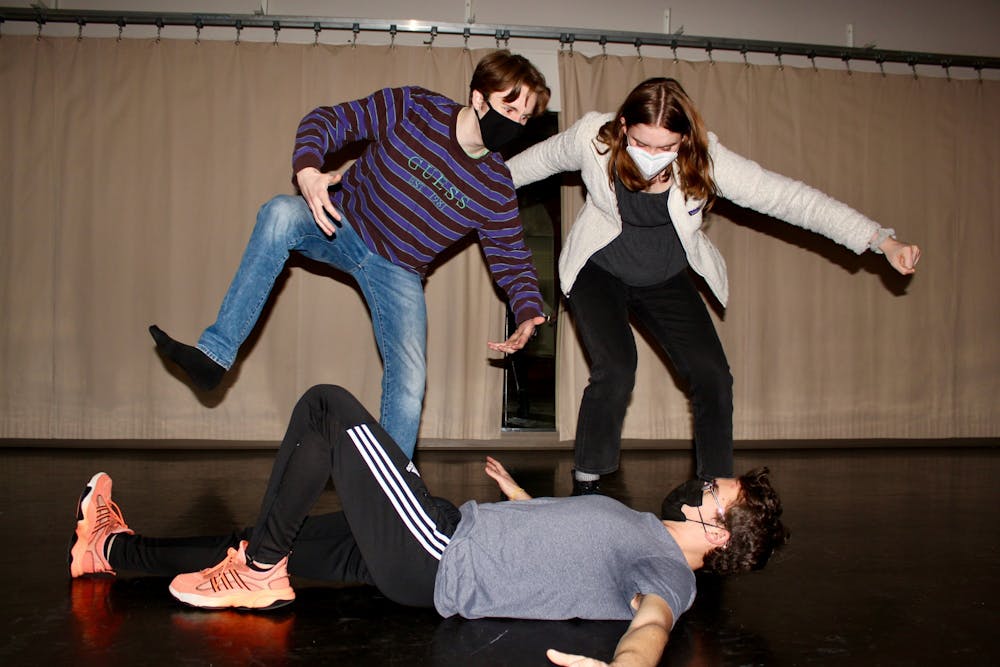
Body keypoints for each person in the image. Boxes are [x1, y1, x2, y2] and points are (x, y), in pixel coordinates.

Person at [68, 384, 787, 667]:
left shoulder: (668, 575)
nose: (696, 482)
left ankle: (256, 572)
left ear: (719, 534)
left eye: (709, 489)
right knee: (265, 533)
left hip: (442, 553)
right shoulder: (643, 531)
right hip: (448, 534)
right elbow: (569, 541)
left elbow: (651, 626)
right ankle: (109, 546)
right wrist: (516, 496)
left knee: (325, 408)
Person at [506, 77, 922, 494]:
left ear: (684, 140)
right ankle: (588, 482)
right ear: (624, 126)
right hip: (599, 268)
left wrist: (879, 240)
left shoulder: (707, 161)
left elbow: (793, 200)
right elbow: (529, 166)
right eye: (641, 142)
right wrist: (469, 193)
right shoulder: (593, 139)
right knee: (616, 368)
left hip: (664, 276)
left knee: (713, 376)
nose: (651, 156)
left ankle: (715, 488)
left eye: (665, 147)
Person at [150, 50, 551, 459]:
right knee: (279, 213)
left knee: (411, 378)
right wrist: (307, 170)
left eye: (524, 118)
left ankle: (391, 492)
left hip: (399, 271)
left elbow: (512, 256)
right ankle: (214, 356)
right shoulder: (415, 108)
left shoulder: (495, 185)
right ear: (478, 98)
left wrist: (526, 310)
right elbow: (330, 120)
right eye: (509, 107)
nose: (515, 123)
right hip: (342, 225)